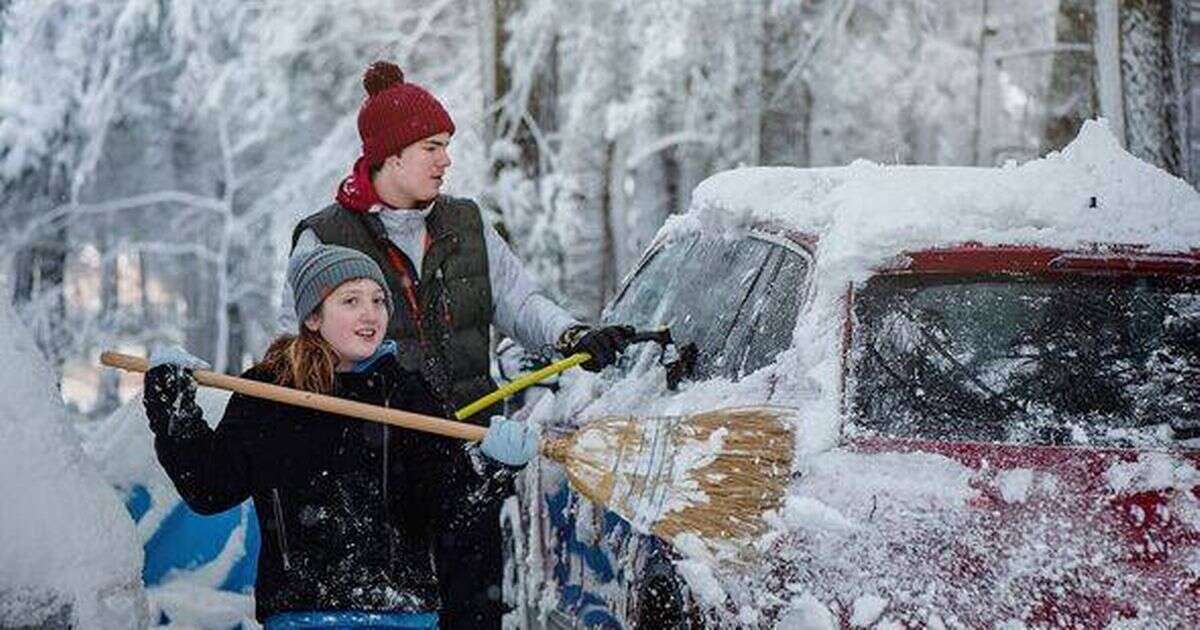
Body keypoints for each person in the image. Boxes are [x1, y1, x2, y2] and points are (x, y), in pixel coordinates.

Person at [282, 60, 636, 628]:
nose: (446, 160)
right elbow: (298, 353)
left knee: (475, 611)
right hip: (382, 477)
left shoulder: (465, 223)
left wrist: (573, 335)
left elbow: (520, 301)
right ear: (390, 155)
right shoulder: (324, 237)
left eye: (446, 145)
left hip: (474, 461)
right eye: (432, 147)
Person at [146, 245, 538, 629]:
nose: (370, 313)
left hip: (403, 617)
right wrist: (173, 409)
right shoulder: (269, 393)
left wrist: (491, 467)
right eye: (351, 301)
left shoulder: (406, 395)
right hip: (303, 615)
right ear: (313, 317)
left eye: (379, 300)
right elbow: (210, 487)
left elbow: (447, 506)